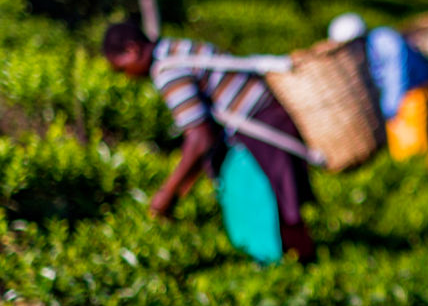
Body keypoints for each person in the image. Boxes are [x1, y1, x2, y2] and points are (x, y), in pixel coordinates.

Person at [102, 21, 316, 264]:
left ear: (132, 50)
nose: (127, 76)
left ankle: (300, 266)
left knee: (280, 214)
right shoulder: (175, 47)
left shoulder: (167, 69)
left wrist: (167, 194)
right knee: (281, 210)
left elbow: (200, 138)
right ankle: (297, 263)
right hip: (269, 118)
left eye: (122, 68)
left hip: (260, 127)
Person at [328, 13, 428, 168]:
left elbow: (397, 74)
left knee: (419, 144)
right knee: (409, 144)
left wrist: (391, 106)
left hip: (413, 93)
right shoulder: (368, 48)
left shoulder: (384, 40)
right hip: (402, 97)